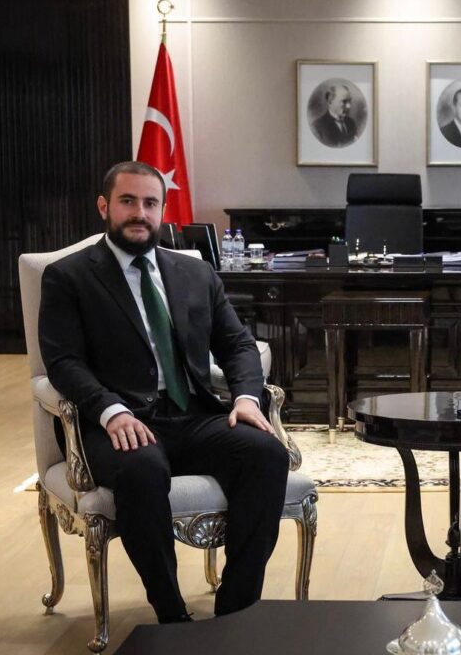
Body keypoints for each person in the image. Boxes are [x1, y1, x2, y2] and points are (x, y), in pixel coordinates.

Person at [39, 161, 290, 624]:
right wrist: (110, 410)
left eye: (150, 203)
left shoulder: (195, 273)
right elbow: (63, 361)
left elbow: (237, 344)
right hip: (118, 424)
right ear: (104, 206)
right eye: (127, 201)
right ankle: (172, 617)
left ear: (162, 209)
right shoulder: (68, 276)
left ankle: (237, 611)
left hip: (192, 415)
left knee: (266, 454)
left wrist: (245, 399)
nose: (140, 213)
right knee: (143, 470)